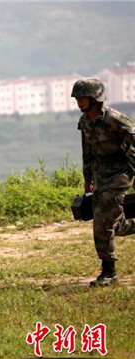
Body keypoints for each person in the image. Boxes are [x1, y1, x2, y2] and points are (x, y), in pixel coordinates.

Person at [72, 78, 135, 287]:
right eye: (78, 98)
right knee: (116, 225)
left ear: (95, 98)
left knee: (101, 222)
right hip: (100, 176)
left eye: (83, 97)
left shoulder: (115, 119)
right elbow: (86, 151)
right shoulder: (85, 122)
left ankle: (109, 272)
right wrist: (87, 178)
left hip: (119, 174)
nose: (79, 102)